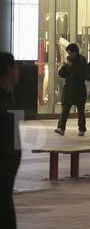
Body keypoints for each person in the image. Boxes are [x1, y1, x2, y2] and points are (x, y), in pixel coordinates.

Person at [0, 52, 21, 228]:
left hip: (8, 170)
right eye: (16, 66)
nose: (18, 71)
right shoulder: (3, 100)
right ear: (8, 69)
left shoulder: (10, 97)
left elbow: (14, 137)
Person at [55, 43, 88, 136]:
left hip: (79, 89)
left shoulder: (82, 60)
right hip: (69, 88)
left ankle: (82, 129)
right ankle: (61, 128)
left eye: (70, 53)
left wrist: (71, 66)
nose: (69, 55)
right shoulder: (68, 60)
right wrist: (64, 66)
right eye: (68, 53)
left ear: (75, 52)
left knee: (80, 110)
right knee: (65, 109)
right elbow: (61, 74)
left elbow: (82, 74)